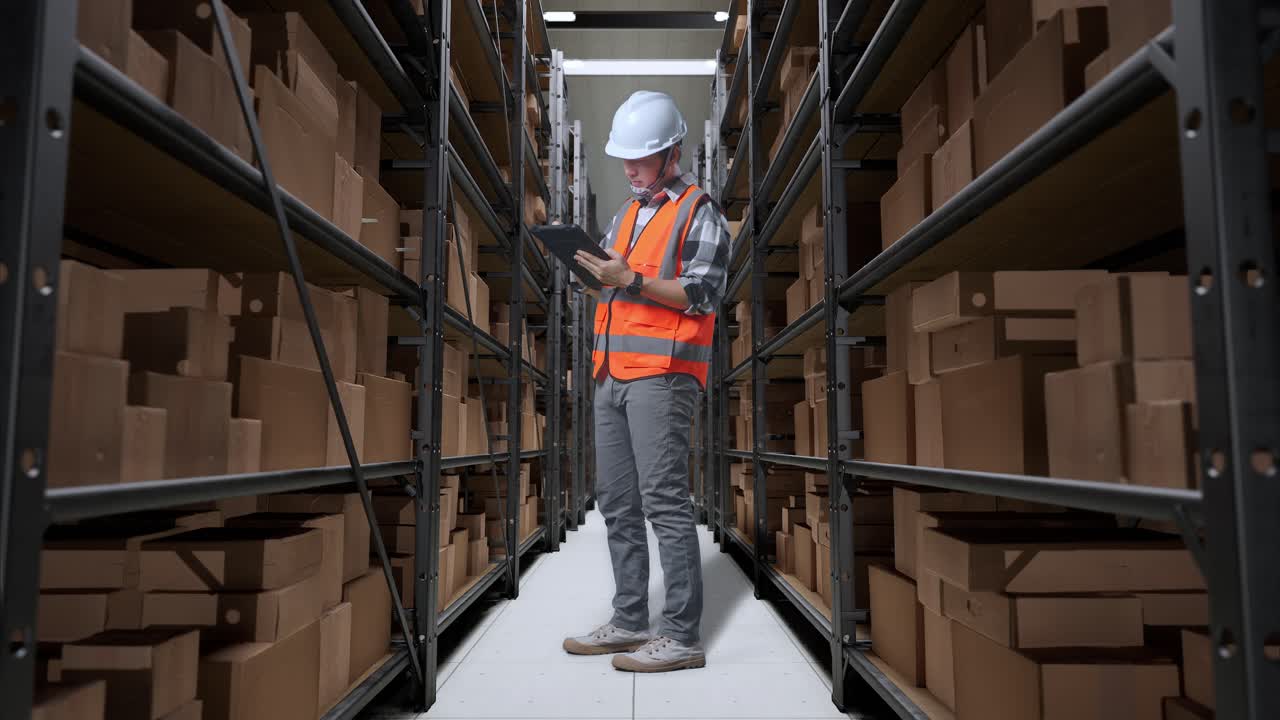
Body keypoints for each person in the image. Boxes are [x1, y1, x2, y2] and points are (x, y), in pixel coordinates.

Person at [562, 91, 730, 673]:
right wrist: (587, 272)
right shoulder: (627, 214)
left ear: (672, 153)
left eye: (642, 157)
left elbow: (703, 292)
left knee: (664, 502)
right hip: (609, 373)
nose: (630, 168)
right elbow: (613, 283)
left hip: (663, 376)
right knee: (617, 503)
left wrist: (628, 278)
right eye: (625, 158)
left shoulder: (698, 210)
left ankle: (682, 636)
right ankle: (630, 620)